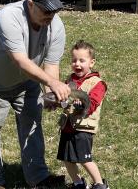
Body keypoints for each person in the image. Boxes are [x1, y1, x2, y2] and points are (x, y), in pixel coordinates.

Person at [0, 0, 71, 188]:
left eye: (55, 10)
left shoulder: (56, 26)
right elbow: (20, 61)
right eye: (46, 10)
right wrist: (52, 83)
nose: (51, 15)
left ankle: (38, 178)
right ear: (30, 4)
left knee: (32, 123)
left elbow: (51, 66)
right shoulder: (8, 18)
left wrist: (51, 94)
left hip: (26, 80)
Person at [56, 40, 109, 189]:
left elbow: (92, 104)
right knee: (67, 159)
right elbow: (64, 99)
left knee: (84, 159)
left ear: (91, 63)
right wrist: (60, 102)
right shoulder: (69, 80)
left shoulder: (97, 83)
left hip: (83, 128)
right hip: (67, 127)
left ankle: (99, 184)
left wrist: (83, 105)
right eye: (74, 60)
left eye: (82, 60)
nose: (77, 64)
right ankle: (78, 183)